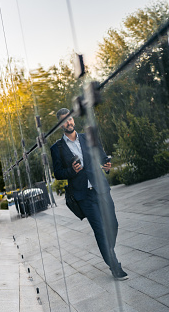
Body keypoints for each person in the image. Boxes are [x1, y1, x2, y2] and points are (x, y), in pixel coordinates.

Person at [50, 108, 128, 280]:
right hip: (84, 195)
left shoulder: (88, 137)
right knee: (100, 231)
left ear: (73, 120)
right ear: (60, 125)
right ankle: (115, 266)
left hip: (101, 189)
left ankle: (109, 251)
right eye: (64, 121)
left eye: (69, 119)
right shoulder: (57, 148)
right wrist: (71, 170)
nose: (68, 123)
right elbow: (58, 173)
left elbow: (101, 157)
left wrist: (107, 165)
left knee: (113, 224)